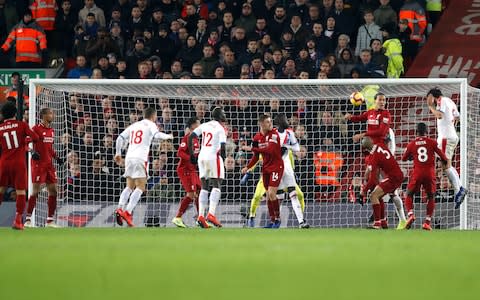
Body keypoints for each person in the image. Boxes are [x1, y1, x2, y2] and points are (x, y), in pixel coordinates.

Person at [114, 107, 173, 227]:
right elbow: (157, 135)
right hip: (141, 158)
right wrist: (168, 136)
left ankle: (120, 208)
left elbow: (119, 138)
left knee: (129, 186)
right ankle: (128, 212)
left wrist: (118, 153)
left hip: (129, 158)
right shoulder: (151, 124)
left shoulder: (135, 125)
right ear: (153, 116)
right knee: (141, 187)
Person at [0, 102, 39, 230]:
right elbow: (35, 137)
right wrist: (25, 141)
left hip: (4, 162)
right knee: (21, 191)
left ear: (2, 114)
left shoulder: (0, 128)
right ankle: (17, 220)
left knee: (1, 190)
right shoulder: (22, 125)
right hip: (18, 163)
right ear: (15, 113)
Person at [402, 122, 448, 231]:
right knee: (431, 197)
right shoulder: (432, 142)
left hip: (417, 173)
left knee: (409, 194)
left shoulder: (411, 144)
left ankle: (411, 215)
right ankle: (427, 223)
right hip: (429, 173)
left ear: (416, 132)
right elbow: (443, 157)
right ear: (426, 132)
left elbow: (404, 158)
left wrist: (413, 157)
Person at [426, 88, 467, 208]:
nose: (428, 101)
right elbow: (457, 117)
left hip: (445, 138)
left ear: (432, 96)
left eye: (428, 98)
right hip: (452, 137)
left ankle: (459, 190)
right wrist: (450, 126)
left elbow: (439, 115)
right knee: (446, 165)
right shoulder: (449, 100)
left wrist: (430, 107)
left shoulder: (441, 101)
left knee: (445, 166)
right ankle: (459, 189)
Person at [242, 114, 284, 228]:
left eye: (270, 121)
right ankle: (272, 220)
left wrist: (251, 148)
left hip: (276, 166)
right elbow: (256, 156)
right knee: (267, 195)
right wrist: (248, 167)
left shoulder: (274, 135)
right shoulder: (256, 138)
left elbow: (269, 150)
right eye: (267, 122)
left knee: (271, 193)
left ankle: (278, 219)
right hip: (265, 168)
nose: (270, 124)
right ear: (261, 124)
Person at [188, 107, 227, 228]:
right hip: (213, 157)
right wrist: (223, 159)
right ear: (220, 116)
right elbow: (223, 146)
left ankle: (201, 216)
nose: (225, 115)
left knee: (204, 187)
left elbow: (191, 137)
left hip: (201, 157)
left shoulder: (204, 125)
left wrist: (192, 155)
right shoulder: (221, 128)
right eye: (223, 113)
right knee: (217, 185)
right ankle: (211, 214)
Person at [24, 108, 63, 228]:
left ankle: (50, 221)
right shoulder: (36, 129)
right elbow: (25, 143)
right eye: (51, 113)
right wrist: (31, 151)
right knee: (36, 191)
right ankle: (28, 220)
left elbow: (49, 148)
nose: (53, 115)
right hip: (38, 164)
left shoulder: (51, 130)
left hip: (49, 165)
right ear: (44, 115)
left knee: (54, 191)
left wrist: (56, 157)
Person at [274, 114, 309, 228]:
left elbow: (297, 148)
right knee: (280, 196)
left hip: (286, 165)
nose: (286, 121)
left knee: (292, 194)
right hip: (276, 165)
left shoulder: (289, 133)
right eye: (284, 120)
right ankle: (277, 221)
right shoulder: (273, 133)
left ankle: (301, 221)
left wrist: (286, 146)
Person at [361, 136, 404, 229]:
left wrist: (364, 191)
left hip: (393, 178)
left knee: (373, 196)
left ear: (365, 149)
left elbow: (372, 179)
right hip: (396, 175)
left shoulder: (373, 157)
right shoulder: (380, 145)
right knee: (378, 195)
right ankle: (383, 222)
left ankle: (377, 224)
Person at [172, 117, 201, 228]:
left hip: (192, 170)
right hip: (185, 170)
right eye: (199, 123)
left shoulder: (196, 139)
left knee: (199, 192)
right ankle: (178, 217)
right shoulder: (187, 138)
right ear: (193, 126)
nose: (201, 125)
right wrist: (190, 158)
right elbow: (180, 153)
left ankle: (200, 218)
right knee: (191, 194)